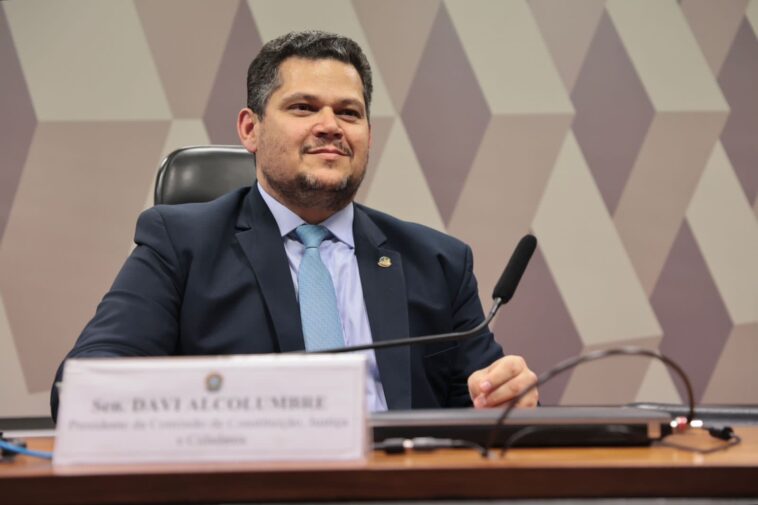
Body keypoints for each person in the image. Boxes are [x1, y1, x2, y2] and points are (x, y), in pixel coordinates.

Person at [51, 30, 538, 420]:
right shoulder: (181, 245)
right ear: (251, 129)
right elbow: (84, 385)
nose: (330, 125)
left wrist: (506, 399)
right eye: (303, 107)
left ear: (368, 136)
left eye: (349, 112)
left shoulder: (437, 262)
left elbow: (482, 408)